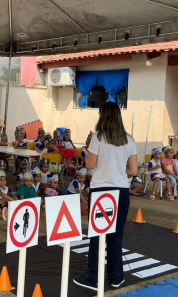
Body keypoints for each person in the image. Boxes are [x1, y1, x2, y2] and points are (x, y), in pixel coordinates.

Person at [73, 102, 138, 292]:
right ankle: (117, 277)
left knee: (96, 236)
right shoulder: (129, 139)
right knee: (116, 236)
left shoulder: (98, 137)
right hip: (121, 192)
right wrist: (120, 170)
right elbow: (133, 170)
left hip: (102, 192)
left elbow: (90, 164)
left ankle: (93, 279)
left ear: (102, 116)